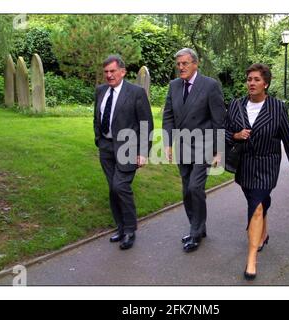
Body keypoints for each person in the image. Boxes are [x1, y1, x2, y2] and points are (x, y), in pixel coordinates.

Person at [224, 63, 289, 280]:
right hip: (244, 166)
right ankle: (263, 234)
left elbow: (288, 139)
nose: (251, 83)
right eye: (249, 79)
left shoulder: (278, 107)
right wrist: (236, 136)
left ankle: (251, 260)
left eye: (256, 79)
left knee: (256, 208)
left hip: (267, 165)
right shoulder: (235, 105)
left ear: (266, 83)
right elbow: (224, 132)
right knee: (259, 203)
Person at [163, 48, 226, 253]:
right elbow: (169, 116)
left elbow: (218, 119)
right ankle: (197, 226)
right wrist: (167, 143)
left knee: (195, 188)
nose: (181, 67)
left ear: (195, 64)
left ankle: (195, 232)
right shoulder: (173, 86)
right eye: (178, 64)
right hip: (182, 146)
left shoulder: (209, 85)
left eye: (185, 63)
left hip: (204, 146)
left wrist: (219, 150)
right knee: (186, 191)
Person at [93, 55, 154, 250]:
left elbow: (146, 124)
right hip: (106, 148)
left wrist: (143, 152)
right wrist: (99, 139)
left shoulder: (136, 93)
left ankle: (130, 230)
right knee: (113, 189)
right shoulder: (100, 91)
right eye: (106, 72)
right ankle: (120, 228)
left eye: (112, 71)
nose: (109, 75)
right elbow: (97, 116)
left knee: (120, 187)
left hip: (128, 148)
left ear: (123, 72)